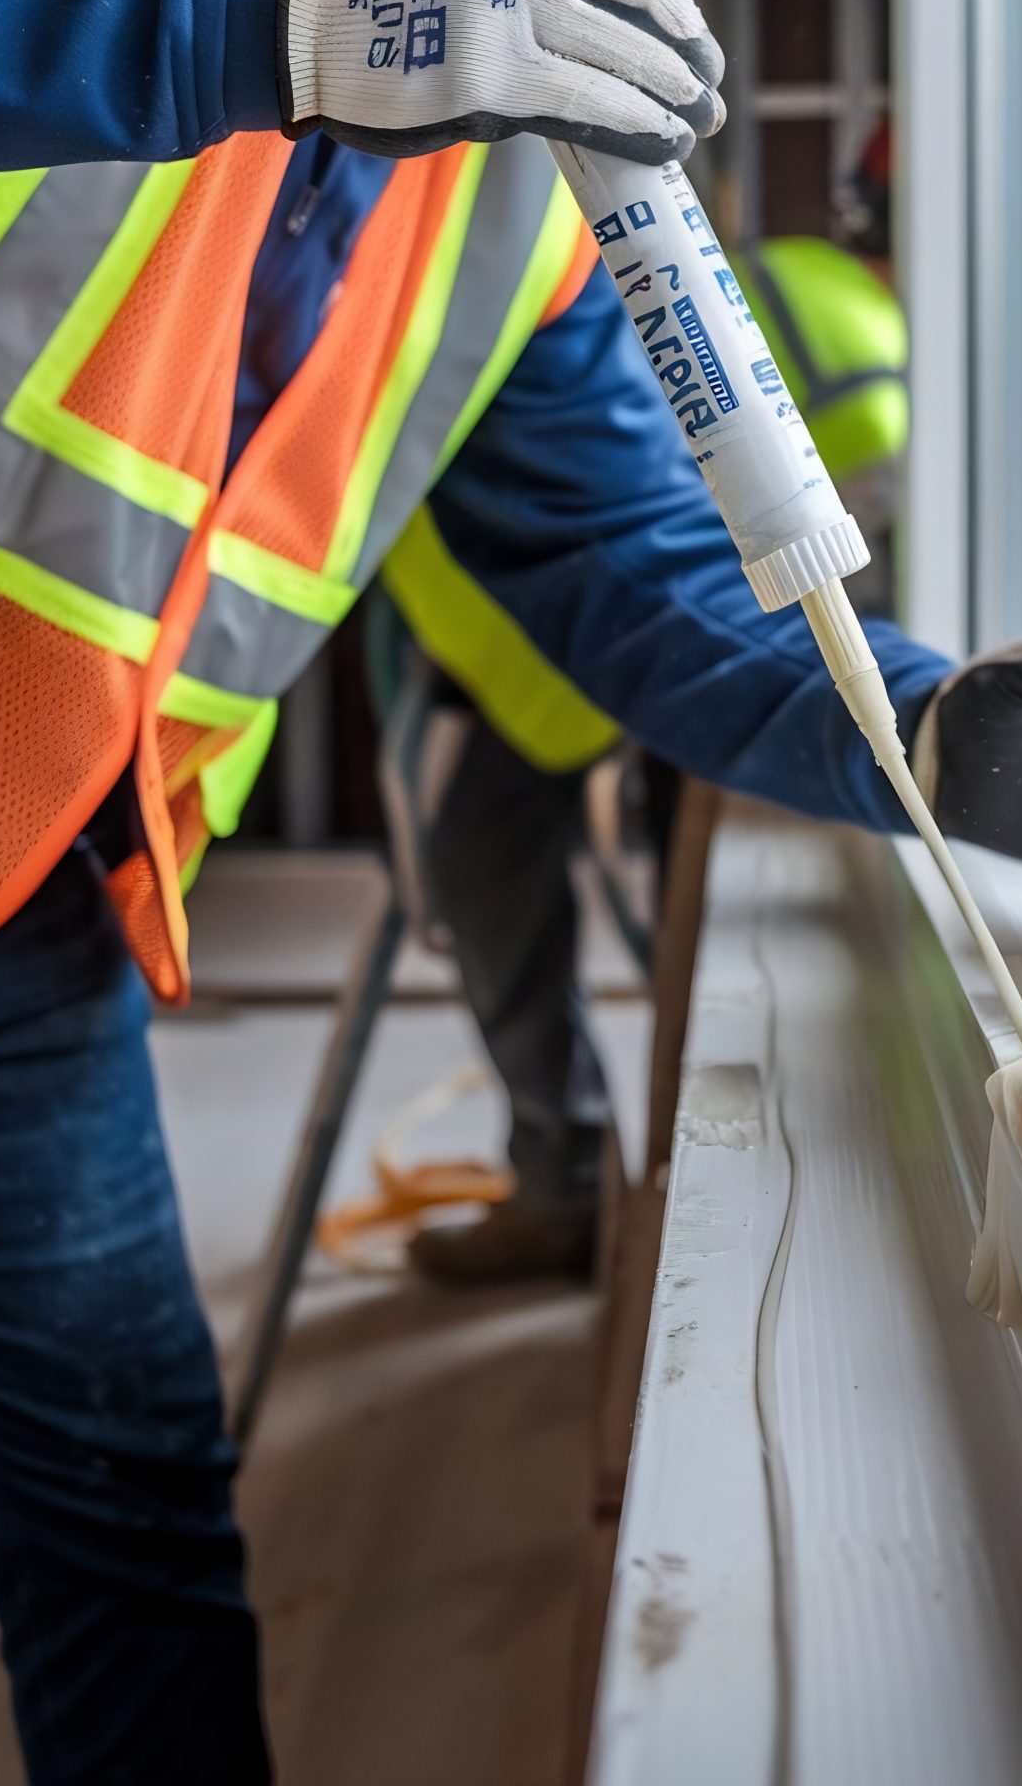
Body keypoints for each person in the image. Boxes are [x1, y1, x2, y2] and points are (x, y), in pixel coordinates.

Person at [0, 0, 1022, 1783]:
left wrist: (957, 735)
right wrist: (308, 17)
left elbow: (645, 565)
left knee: (128, 1522)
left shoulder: (495, 146)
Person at [375, 232, 918, 1283]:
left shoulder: (808, 302)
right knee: (507, 866)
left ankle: (620, 1177)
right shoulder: (823, 302)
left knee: (661, 891)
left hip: (669, 625)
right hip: (590, 619)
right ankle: (576, 1185)